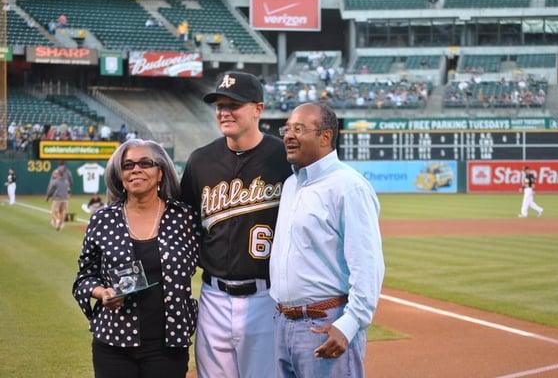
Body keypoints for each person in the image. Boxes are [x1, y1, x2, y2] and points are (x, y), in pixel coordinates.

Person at [180, 71, 292, 378]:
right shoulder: (200, 161)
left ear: (258, 109)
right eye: (219, 105)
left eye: (234, 104)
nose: (224, 112)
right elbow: (185, 226)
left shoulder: (284, 158)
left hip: (266, 297)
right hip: (213, 296)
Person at [270, 102, 385, 378]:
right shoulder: (291, 184)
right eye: (287, 128)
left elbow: (367, 264)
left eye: (299, 129)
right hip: (283, 322)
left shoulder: (349, 186)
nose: (288, 135)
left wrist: (350, 323)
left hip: (324, 324)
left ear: (325, 136)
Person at [72, 139, 201, 378]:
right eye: (128, 165)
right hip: (114, 344)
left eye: (145, 163)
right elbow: (84, 277)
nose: (136, 169)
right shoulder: (103, 220)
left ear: (160, 172)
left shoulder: (184, 218)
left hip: (168, 344)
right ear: (120, 175)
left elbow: (213, 260)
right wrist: (102, 293)